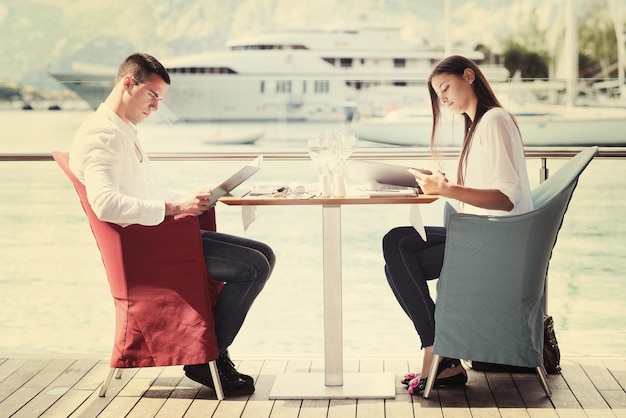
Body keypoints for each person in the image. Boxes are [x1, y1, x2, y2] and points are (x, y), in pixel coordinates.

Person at [69, 52, 275, 397]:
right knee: (254, 266)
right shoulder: (101, 137)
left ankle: (212, 352)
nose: (155, 108)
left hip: (155, 236)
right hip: (147, 250)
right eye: (152, 96)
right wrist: (176, 206)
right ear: (128, 84)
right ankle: (206, 356)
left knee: (264, 254)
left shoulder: (122, 130)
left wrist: (189, 197)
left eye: (160, 100)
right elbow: (105, 204)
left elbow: (143, 192)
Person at [382, 55, 533, 395]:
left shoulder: (493, 120)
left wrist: (448, 189)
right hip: (483, 235)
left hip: (495, 242)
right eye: (438, 94)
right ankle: (442, 356)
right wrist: (441, 183)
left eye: (446, 87)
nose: (443, 98)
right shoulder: (478, 124)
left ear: (469, 76)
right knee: (397, 252)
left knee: (397, 253)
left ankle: (438, 353)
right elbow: (480, 194)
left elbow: (505, 198)